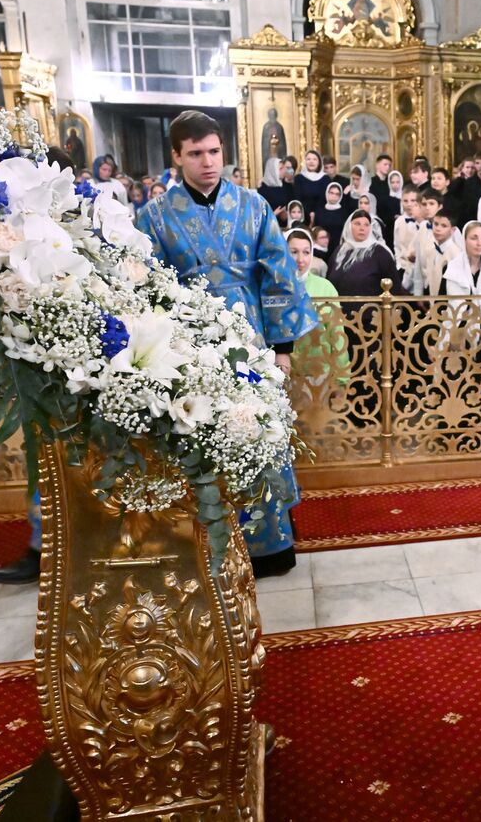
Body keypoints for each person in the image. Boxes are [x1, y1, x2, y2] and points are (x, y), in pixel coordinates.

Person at [137, 111, 318, 577]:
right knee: (201, 434)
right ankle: (207, 543)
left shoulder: (253, 205)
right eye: (195, 153)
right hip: (189, 343)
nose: (207, 162)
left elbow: (279, 271)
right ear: (176, 157)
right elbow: (147, 288)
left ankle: (270, 544)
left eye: (214, 151)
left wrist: (282, 346)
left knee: (258, 430)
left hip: (252, 336)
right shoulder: (153, 216)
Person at [285, 228, 349, 391]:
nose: (301, 259)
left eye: (306, 252)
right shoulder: (274, 286)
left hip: (319, 374)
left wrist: (342, 378)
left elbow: (337, 334)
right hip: (282, 374)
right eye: (293, 252)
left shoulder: (325, 287)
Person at [327, 210, 410, 299]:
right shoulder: (340, 250)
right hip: (338, 310)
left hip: (370, 310)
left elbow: (394, 286)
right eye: (357, 224)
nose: (362, 228)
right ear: (349, 226)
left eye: (366, 225)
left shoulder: (380, 252)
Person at [420, 209, 462, 296]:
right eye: (435, 224)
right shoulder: (432, 249)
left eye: (444, 226)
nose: (438, 229)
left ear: (453, 230)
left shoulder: (455, 255)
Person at [295, 149, 330, 219]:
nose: (311, 161)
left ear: (319, 162)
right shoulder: (299, 178)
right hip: (303, 214)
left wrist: (315, 213)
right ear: (305, 162)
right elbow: (298, 198)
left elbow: (325, 199)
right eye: (308, 159)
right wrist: (309, 213)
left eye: (314, 159)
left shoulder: (325, 178)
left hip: (321, 214)